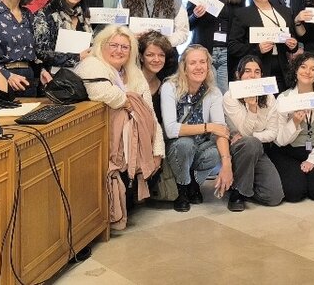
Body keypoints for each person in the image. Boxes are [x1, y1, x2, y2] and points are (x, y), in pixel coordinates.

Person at [76, 26, 165, 226]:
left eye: (125, 47)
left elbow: (149, 114)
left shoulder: (134, 73)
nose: (119, 51)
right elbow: (101, 92)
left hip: (132, 148)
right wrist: (128, 101)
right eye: (114, 45)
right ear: (101, 45)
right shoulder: (91, 65)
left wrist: (157, 150)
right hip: (101, 147)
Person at [160, 45, 234, 212]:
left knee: (217, 151)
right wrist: (209, 127)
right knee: (185, 144)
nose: (199, 67)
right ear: (184, 68)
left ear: (208, 66)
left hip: (200, 145)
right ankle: (182, 188)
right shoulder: (169, 87)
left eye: (203, 62)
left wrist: (226, 163)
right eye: (193, 63)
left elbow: (221, 130)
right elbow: (171, 130)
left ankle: (193, 181)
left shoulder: (214, 92)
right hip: (176, 146)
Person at [220, 55, 286, 211]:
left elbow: (272, 133)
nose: (252, 75)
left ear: (262, 75)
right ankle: (238, 193)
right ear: (239, 75)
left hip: (258, 149)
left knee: (274, 197)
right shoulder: (229, 97)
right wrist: (252, 109)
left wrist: (254, 137)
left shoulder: (269, 97)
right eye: (247, 71)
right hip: (235, 148)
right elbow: (244, 132)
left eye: (257, 72)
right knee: (250, 143)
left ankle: (240, 183)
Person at [271, 52, 314, 203]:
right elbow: (280, 140)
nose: (308, 72)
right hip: (292, 151)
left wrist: (313, 159)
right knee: (294, 193)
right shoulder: (284, 98)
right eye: (303, 67)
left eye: (313, 69)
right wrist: (294, 122)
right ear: (295, 70)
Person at [187, 0, 247, 92]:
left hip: (228, 52)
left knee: (225, 95)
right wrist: (195, 15)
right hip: (204, 51)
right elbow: (187, 25)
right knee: (204, 94)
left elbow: (241, 27)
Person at [228, 0, 300, 84]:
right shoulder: (243, 14)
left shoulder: (285, 11)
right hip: (257, 69)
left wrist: (293, 45)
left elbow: (291, 39)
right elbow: (233, 46)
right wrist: (257, 49)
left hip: (283, 69)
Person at [33, 0, 93, 76]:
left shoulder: (84, 16)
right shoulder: (45, 14)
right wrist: (77, 57)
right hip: (53, 77)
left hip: (83, 74)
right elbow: (40, 52)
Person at [138, 31, 177, 125]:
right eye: (150, 55)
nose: (156, 59)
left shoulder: (167, 85)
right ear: (141, 57)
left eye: (161, 55)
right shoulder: (129, 82)